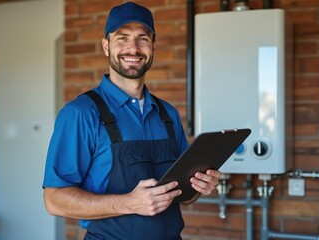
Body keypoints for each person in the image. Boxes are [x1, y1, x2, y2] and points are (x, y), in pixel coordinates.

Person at [42, 2, 221, 240]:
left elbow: (183, 195)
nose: (133, 48)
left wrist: (199, 186)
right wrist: (128, 203)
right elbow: (54, 200)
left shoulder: (167, 114)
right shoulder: (80, 114)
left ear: (153, 46)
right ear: (106, 46)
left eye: (143, 39)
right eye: (122, 38)